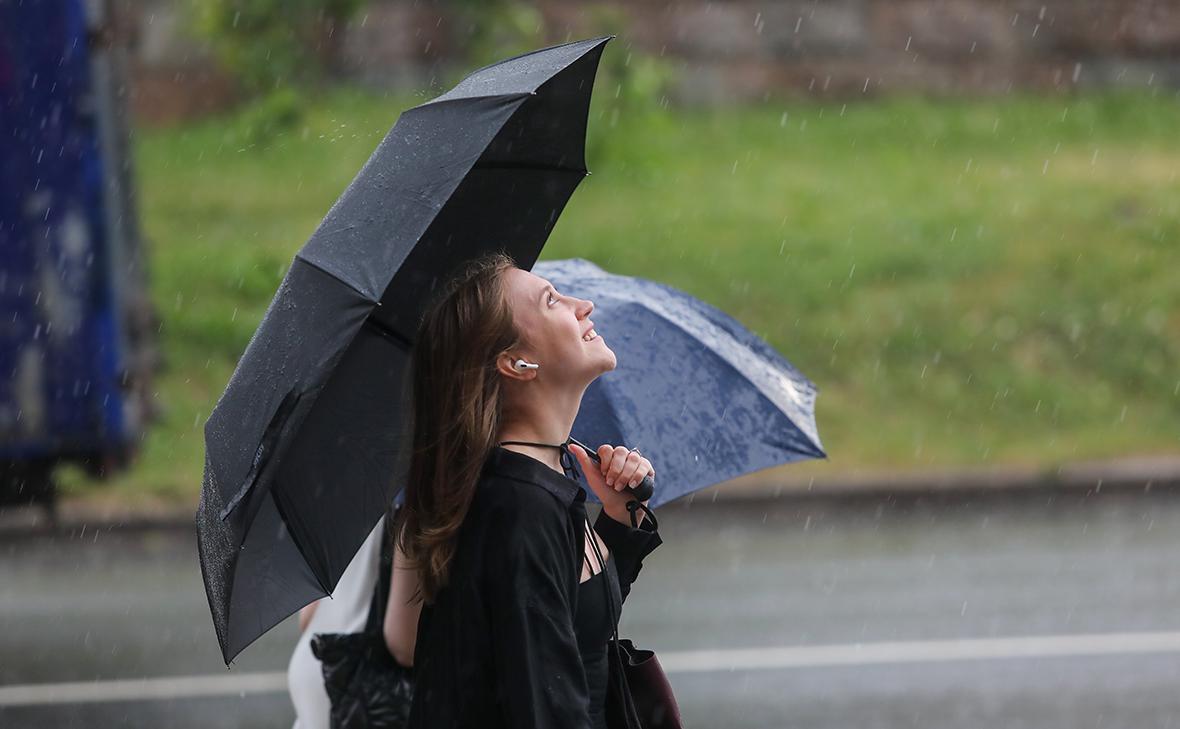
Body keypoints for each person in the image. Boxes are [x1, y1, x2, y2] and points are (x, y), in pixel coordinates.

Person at [386, 251, 663, 729]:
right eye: (552, 300)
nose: (585, 305)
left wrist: (618, 521)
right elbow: (543, 708)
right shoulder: (519, 509)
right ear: (517, 363)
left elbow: (575, 630)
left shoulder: (534, 485)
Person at [287, 515, 386, 729]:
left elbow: (306, 617)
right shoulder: (406, 502)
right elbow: (402, 644)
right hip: (355, 686)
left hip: (315, 661)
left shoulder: (338, 502)